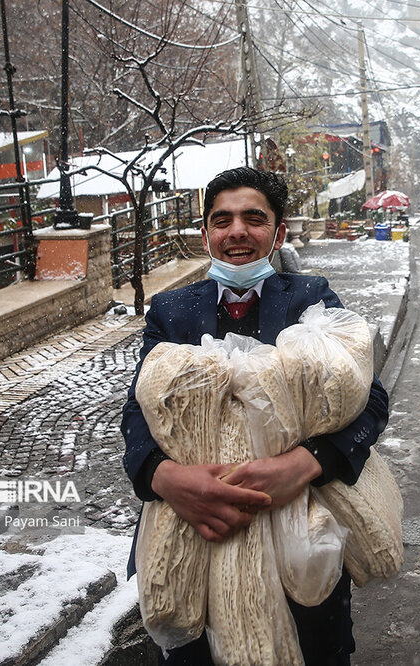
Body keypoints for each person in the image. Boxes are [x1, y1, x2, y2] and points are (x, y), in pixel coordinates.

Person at [121, 166, 390, 665]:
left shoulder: (310, 300)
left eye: (254, 218)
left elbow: (367, 401)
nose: (237, 231)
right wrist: (163, 476)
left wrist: (306, 463)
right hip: (197, 531)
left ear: (278, 233)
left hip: (298, 532)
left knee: (312, 651)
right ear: (205, 234)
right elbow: (140, 409)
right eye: (222, 220)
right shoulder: (171, 310)